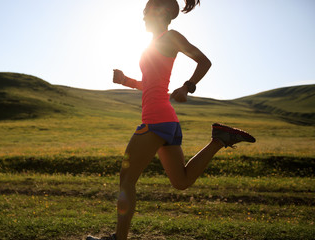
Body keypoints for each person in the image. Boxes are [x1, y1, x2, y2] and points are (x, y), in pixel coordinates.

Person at [87, 0, 255, 239]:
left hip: (156, 121)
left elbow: (204, 61)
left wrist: (187, 87)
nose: (143, 15)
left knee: (126, 179)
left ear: (160, 12)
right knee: (181, 181)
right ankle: (219, 139)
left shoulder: (170, 36)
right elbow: (152, 85)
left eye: (146, 11)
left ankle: (119, 238)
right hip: (167, 122)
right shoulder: (154, 44)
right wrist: (125, 81)